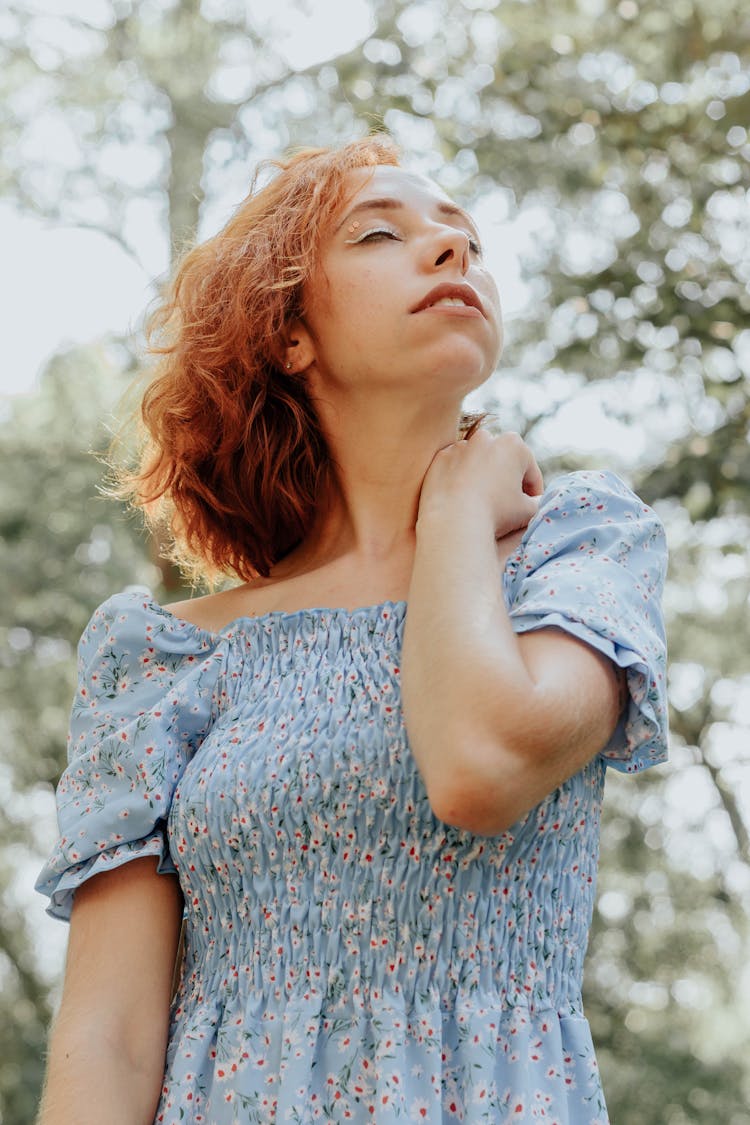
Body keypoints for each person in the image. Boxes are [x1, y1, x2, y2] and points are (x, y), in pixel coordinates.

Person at [35, 134, 668, 1124]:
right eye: (382, 233)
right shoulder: (162, 660)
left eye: (467, 239)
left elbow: (480, 767)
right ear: (291, 335)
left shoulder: (579, 552)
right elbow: (106, 1040)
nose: (453, 252)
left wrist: (455, 509)